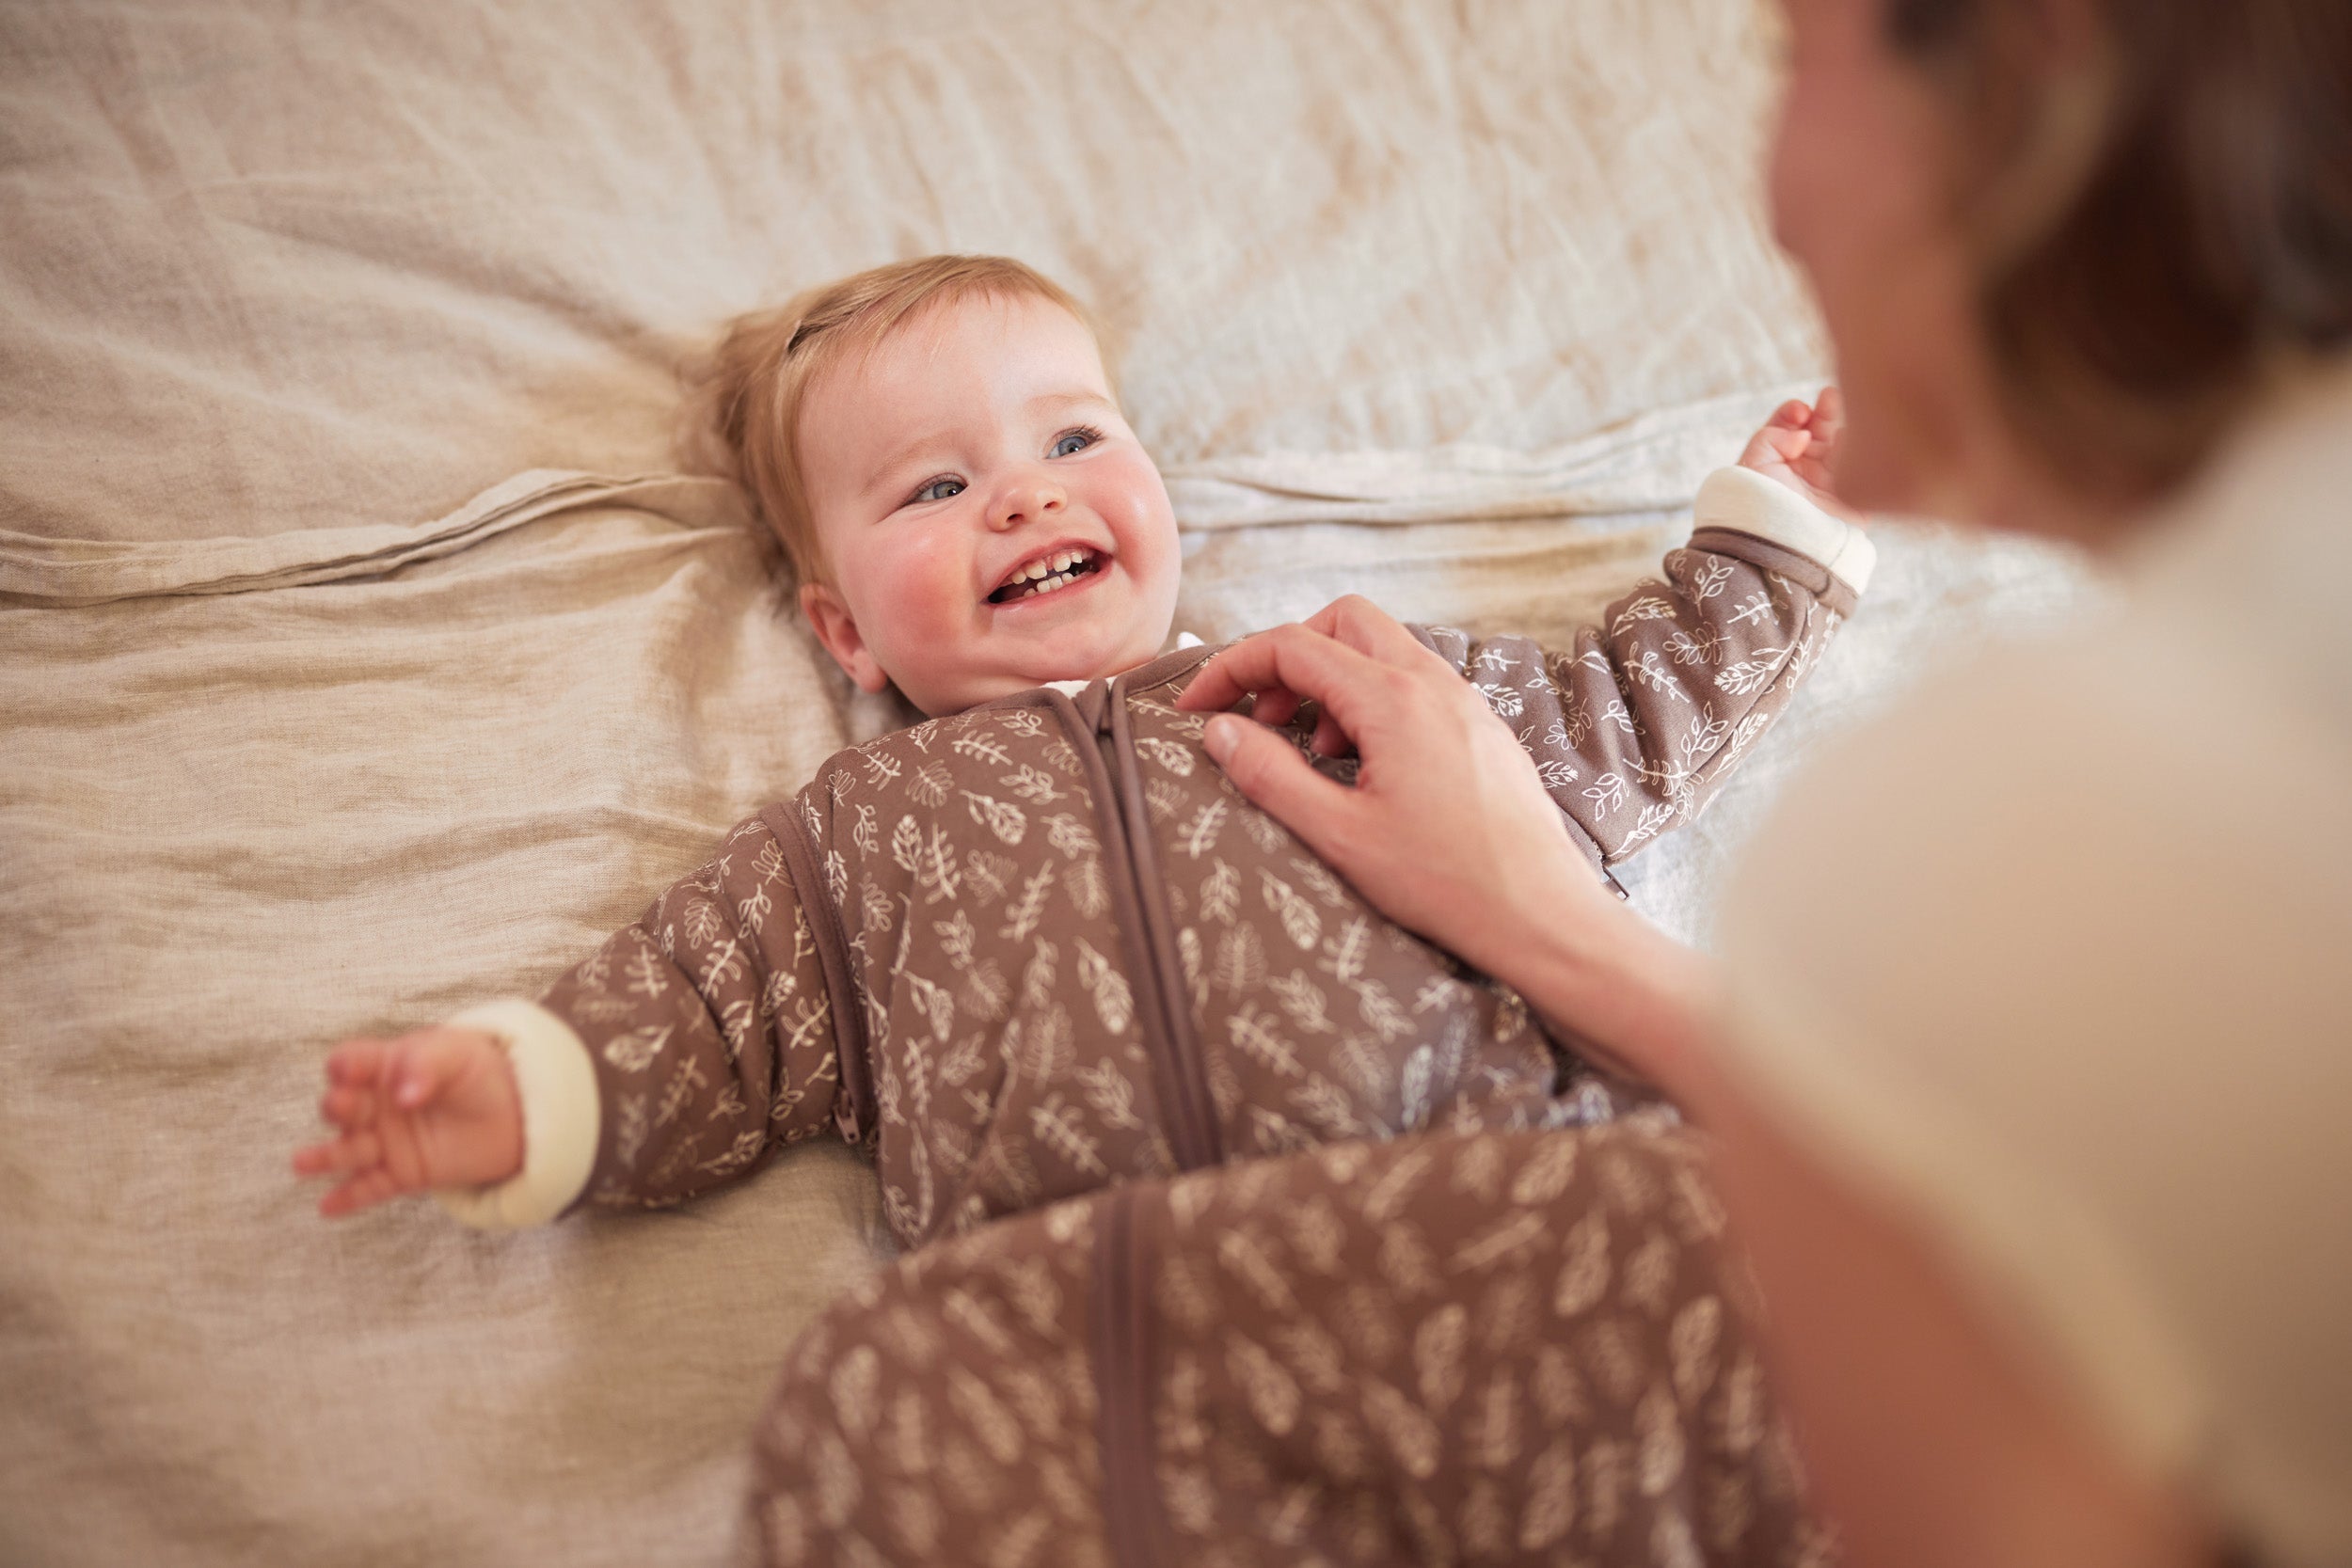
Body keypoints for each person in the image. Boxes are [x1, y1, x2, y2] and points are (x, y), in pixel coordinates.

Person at [1171, 1, 2352, 1564]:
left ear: (2032, 72)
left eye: (1798, 60)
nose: (1777, 190)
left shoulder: (2004, 829)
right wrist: (1538, 912)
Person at [290, 256, 1873, 1248]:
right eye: (931, 487)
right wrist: (525, 1099)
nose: (1025, 499)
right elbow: (705, 1014)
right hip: (1109, 1347)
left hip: (1485, 1222)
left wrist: (1778, 531)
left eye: (1070, 440)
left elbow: (1627, 713)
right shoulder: (853, 839)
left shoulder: (1349, 684)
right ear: (844, 635)